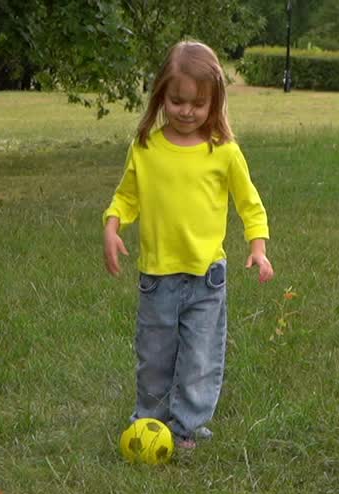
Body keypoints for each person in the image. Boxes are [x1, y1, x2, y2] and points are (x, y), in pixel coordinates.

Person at [102, 40, 274, 450]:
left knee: (199, 359)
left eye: (198, 104)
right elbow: (127, 196)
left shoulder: (224, 151)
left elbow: (249, 203)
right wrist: (112, 226)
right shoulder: (146, 147)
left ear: (215, 103)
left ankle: (187, 429)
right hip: (157, 278)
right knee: (154, 357)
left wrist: (258, 247)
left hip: (206, 279)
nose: (186, 111)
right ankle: (149, 421)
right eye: (177, 101)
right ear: (162, 95)